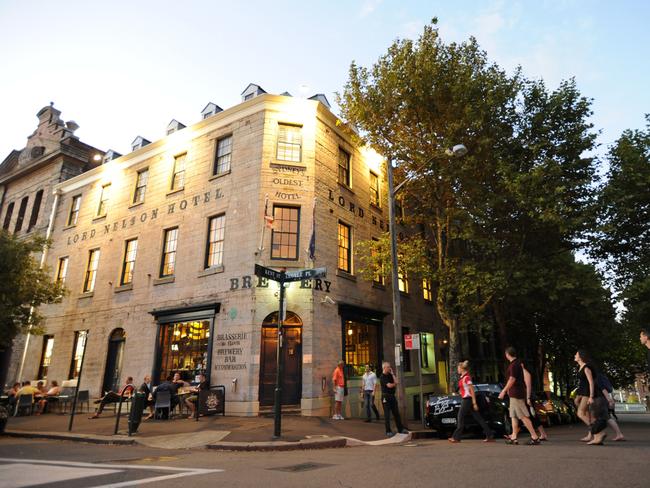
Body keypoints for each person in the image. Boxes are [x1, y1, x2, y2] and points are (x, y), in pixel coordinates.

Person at [498, 347, 541, 445]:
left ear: (507, 354)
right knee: (513, 415)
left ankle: (534, 437)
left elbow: (512, 379)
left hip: (516, 393)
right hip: (515, 393)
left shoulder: (514, 365)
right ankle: (514, 437)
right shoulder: (517, 363)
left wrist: (504, 391)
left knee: (523, 416)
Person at [448, 361, 494, 443]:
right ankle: (489, 435)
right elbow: (465, 389)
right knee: (478, 418)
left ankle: (456, 437)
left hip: (468, 400)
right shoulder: (463, 377)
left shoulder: (467, 378)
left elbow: (472, 390)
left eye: (458, 368)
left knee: (460, 417)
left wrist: (474, 402)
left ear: (462, 369)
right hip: (466, 399)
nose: (457, 370)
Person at [574, 349, 608, 445]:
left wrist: (591, 396)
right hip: (583, 393)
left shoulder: (586, 368)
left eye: (576, 354)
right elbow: (583, 383)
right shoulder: (580, 367)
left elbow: (591, 382)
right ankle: (596, 435)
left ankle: (599, 432)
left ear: (580, 356)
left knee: (580, 414)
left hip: (588, 394)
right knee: (586, 415)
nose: (574, 356)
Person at [521, 362, 548, 441]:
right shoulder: (523, 374)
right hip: (526, 397)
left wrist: (528, 398)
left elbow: (528, 387)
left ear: (522, 365)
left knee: (531, 416)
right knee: (531, 416)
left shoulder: (526, 374)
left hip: (528, 397)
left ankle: (540, 434)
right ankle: (542, 434)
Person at [379, 361, 408, 437]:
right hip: (386, 397)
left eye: (390, 367)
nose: (389, 368)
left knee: (396, 413)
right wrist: (395, 384)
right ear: (384, 368)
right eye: (388, 367)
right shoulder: (382, 377)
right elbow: (389, 385)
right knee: (387, 415)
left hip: (392, 396)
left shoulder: (390, 375)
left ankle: (400, 429)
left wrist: (392, 374)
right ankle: (388, 431)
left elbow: (396, 381)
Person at [597, 372, 625, 441]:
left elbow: (603, 389)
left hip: (600, 399)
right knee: (606, 418)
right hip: (602, 399)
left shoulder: (596, 377)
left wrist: (610, 400)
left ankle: (619, 434)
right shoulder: (601, 376)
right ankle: (618, 434)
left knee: (607, 418)